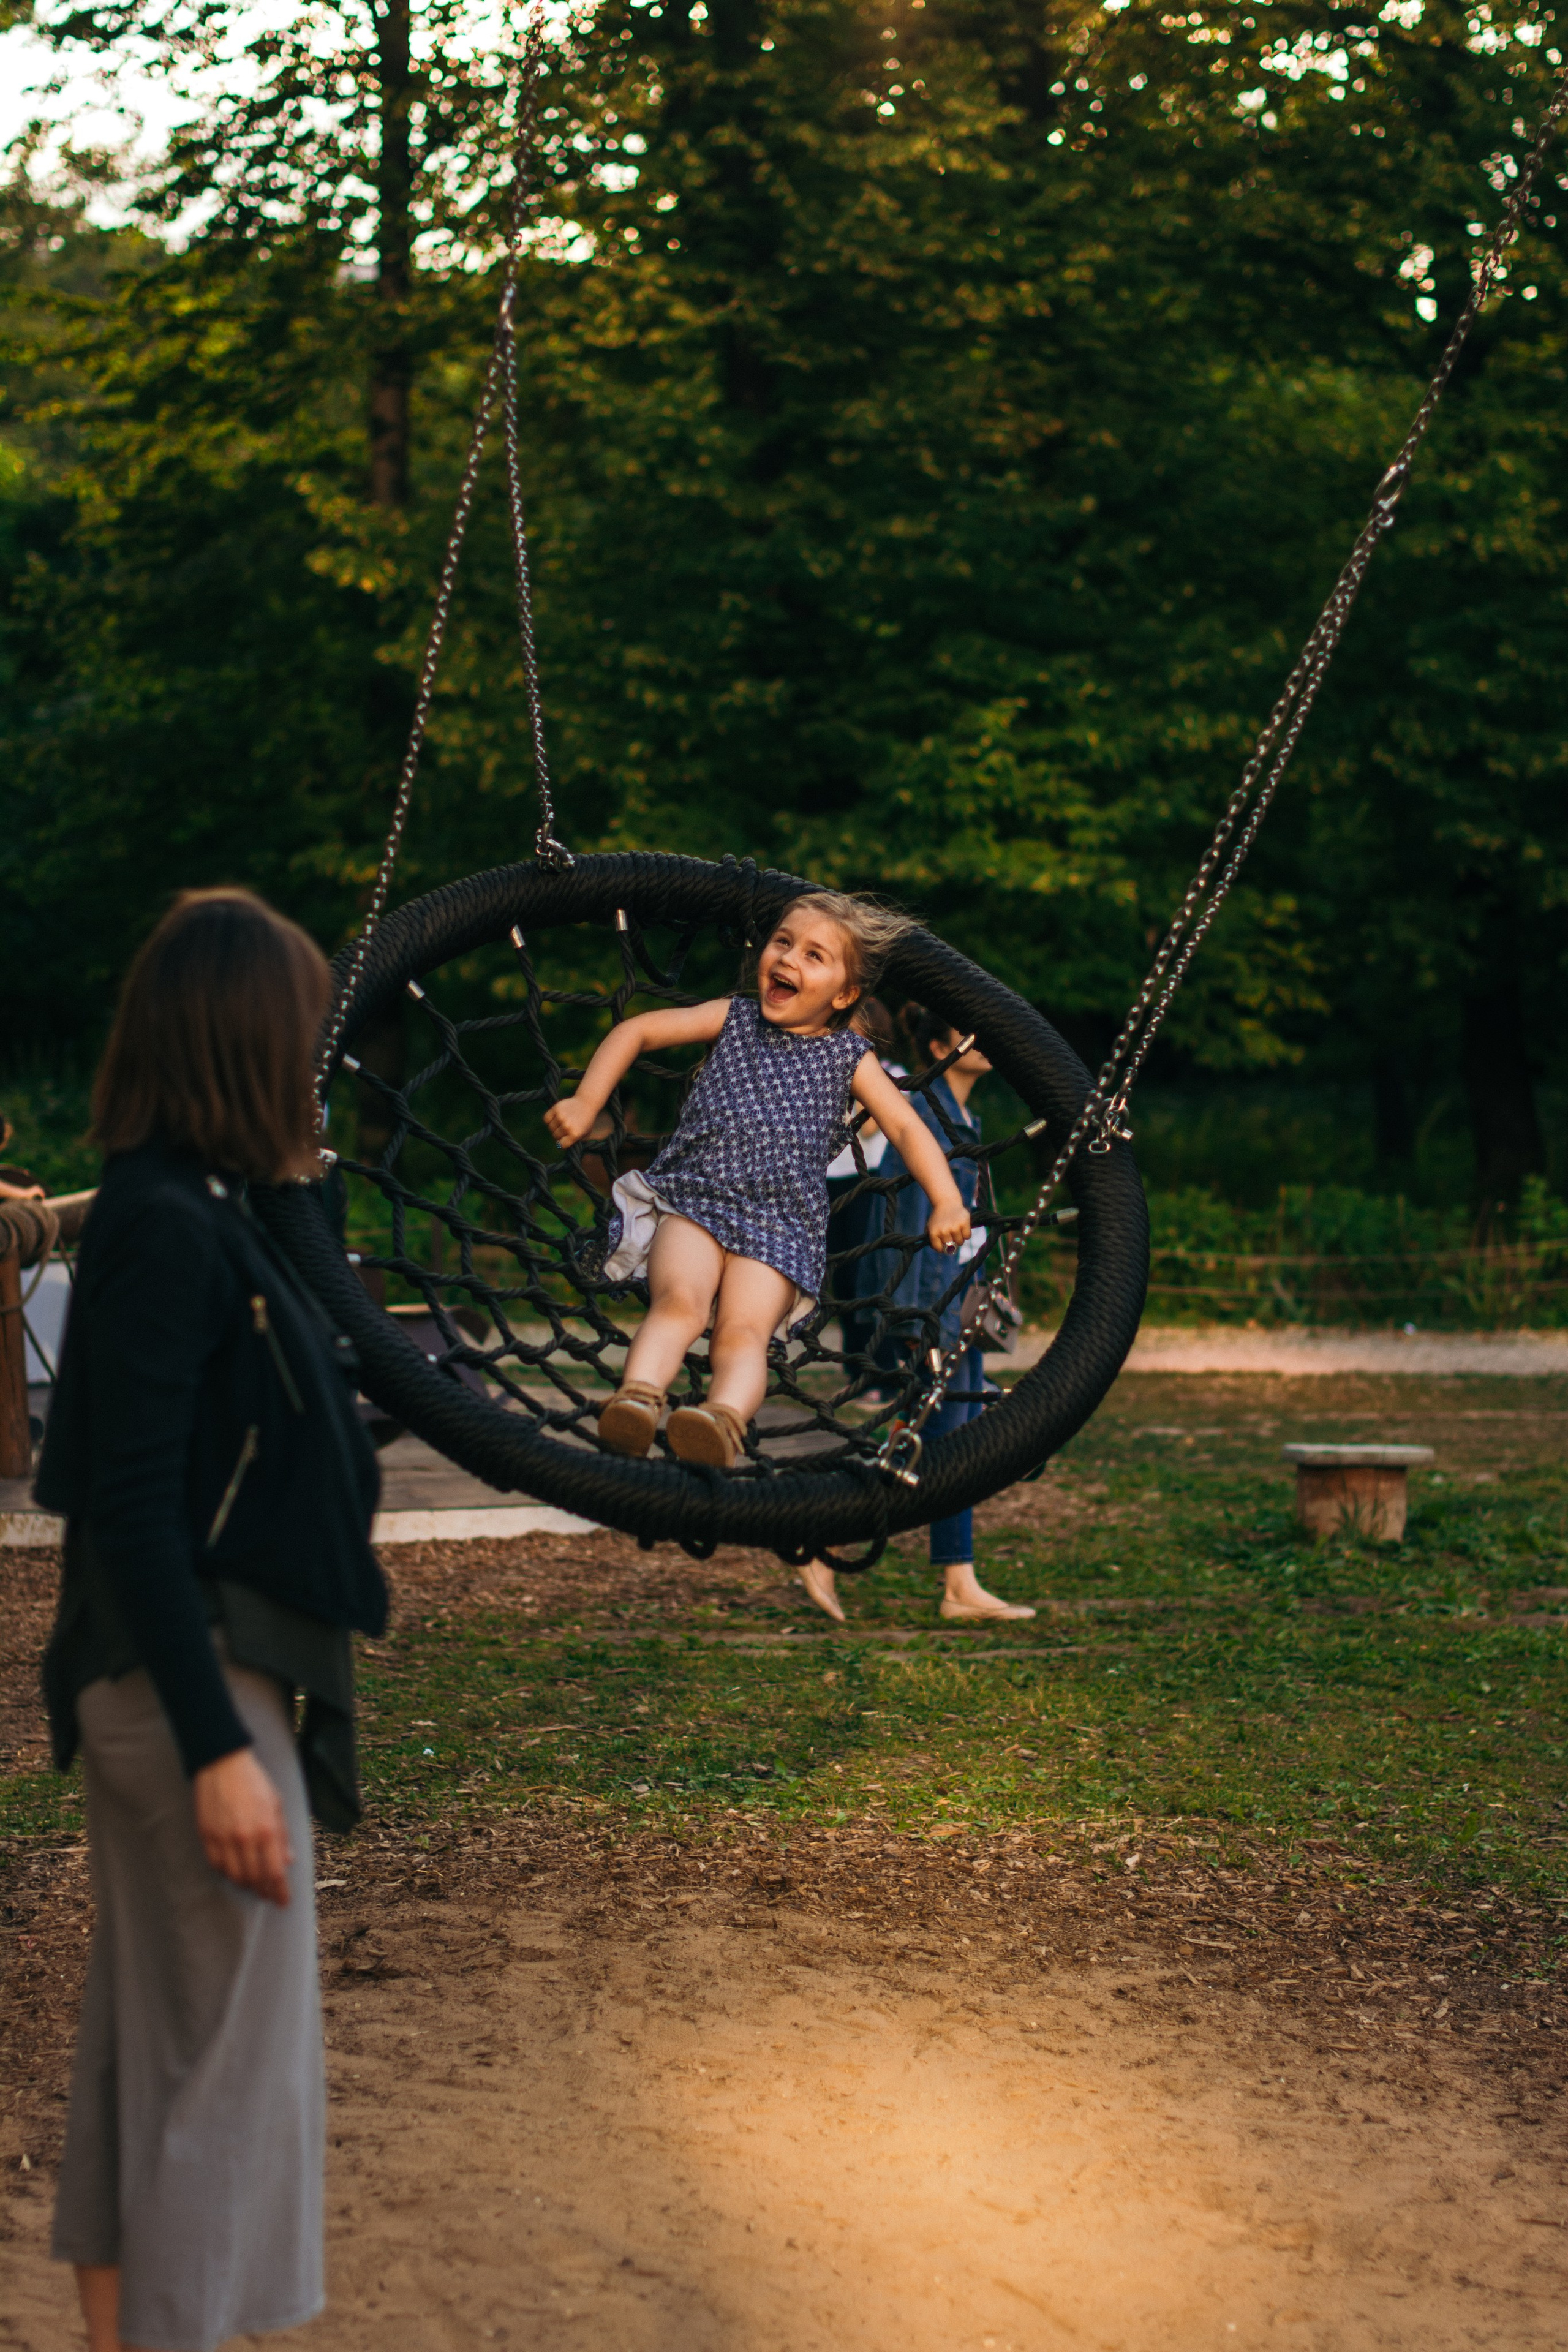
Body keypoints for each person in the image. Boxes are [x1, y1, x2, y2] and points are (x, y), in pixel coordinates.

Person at [34, 887, 386, 2352]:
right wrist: (218, 1748)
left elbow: (345, 1339)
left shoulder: (203, 1208)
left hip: (176, 1687)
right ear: (249, 1042)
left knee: (152, 2061)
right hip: (195, 1689)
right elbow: (124, 1505)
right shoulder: (165, 1231)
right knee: (220, 2095)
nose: (317, 1070)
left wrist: (294, 1170)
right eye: (300, 1041)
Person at [545, 891, 972, 1471]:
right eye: (783, 941)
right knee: (678, 1306)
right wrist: (587, 1099)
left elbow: (904, 1124)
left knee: (742, 1333)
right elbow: (638, 1031)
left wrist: (945, 1198)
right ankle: (639, 1400)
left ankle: (722, 1420)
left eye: (815, 955)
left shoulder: (850, 1055)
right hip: (697, 1200)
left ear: (845, 995)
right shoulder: (734, 1016)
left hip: (779, 1224)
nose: (790, 958)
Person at [798, 1006, 1038, 1629]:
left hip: (958, 1300)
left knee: (951, 1440)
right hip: (927, 1305)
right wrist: (910, 1319)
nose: (985, 1043)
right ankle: (820, 1537)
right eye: (969, 1033)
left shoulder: (964, 1117)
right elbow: (901, 1224)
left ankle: (958, 1581)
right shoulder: (917, 1112)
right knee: (924, 1439)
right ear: (940, 1045)